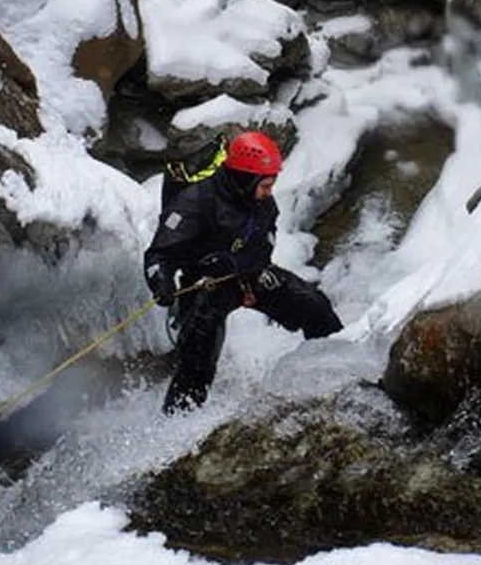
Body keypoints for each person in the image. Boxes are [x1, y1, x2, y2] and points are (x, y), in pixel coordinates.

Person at [144, 130, 343, 412]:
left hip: (253, 276)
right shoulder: (194, 203)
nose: (269, 192)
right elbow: (159, 255)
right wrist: (161, 284)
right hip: (206, 286)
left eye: (271, 185)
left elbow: (266, 233)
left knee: (315, 307)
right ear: (243, 178)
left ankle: (339, 375)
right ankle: (177, 422)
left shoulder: (259, 199)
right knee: (197, 362)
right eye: (264, 185)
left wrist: (257, 264)